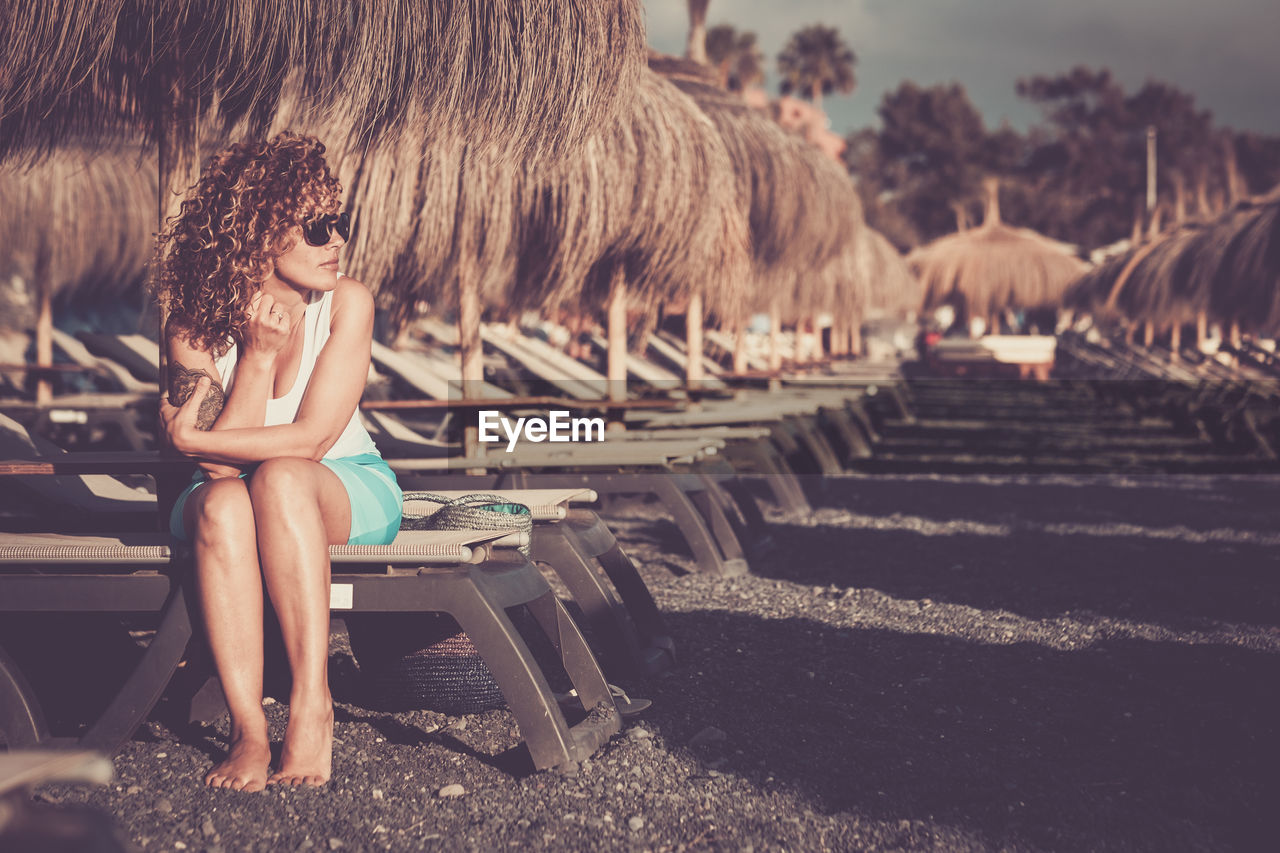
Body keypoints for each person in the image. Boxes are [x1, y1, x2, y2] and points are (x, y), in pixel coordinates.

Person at [154, 133, 402, 791]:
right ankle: (248, 730)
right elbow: (216, 477)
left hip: (345, 486)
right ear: (258, 233)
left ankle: (311, 703)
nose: (336, 242)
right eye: (317, 227)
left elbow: (313, 439)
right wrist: (258, 359)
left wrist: (195, 440)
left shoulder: (347, 304)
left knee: (285, 477)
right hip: (224, 502)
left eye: (338, 224)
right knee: (233, 498)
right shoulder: (194, 327)